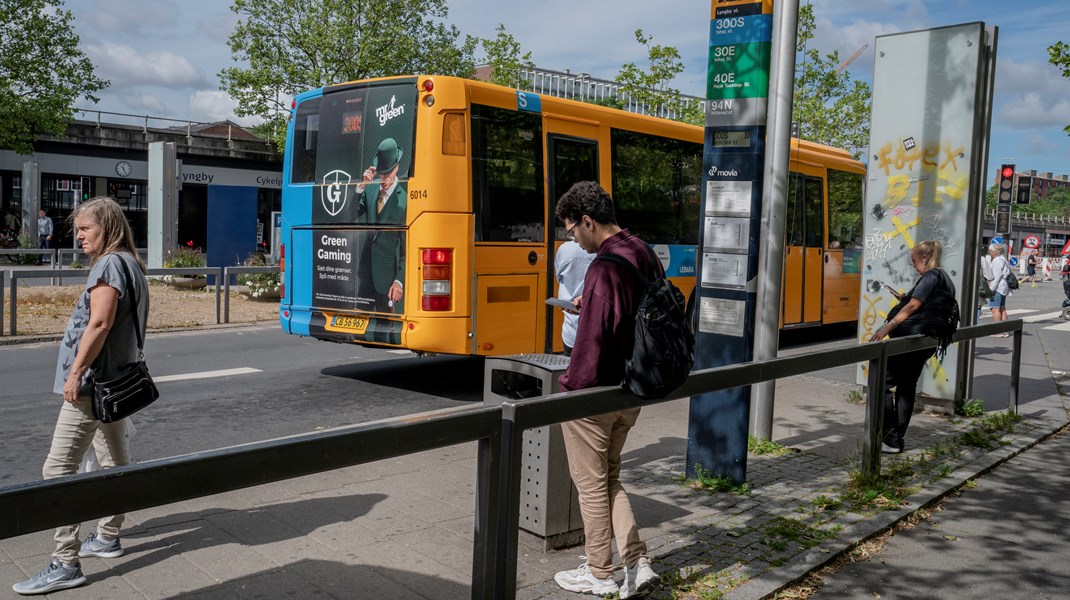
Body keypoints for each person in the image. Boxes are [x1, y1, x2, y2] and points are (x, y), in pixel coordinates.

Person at [13, 197, 148, 596]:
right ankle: (108, 535)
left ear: (106, 227)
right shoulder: (132, 265)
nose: (79, 235)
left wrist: (75, 373)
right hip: (116, 382)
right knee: (114, 463)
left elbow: (101, 322)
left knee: (56, 471)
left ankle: (65, 562)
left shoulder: (109, 265)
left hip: (92, 387)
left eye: (86, 228)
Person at [551, 181, 659, 598]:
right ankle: (637, 562)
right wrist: (590, 301)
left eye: (572, 230)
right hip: (635, 386)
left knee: (591, 484)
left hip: (598, 393)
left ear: (587, 221)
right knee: (611, 476)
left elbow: (593, 344)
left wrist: (569, 389)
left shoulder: (604, 266)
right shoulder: (642, 252)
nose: (572, 239)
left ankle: (599, 573)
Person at [868, 240, 957, 454]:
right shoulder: (946, 278)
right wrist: (905, 297)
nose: (914, 265)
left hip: (912, 339)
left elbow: (914, 305)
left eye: (914, 261)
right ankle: (896, 440)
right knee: (906, 387)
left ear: (925, 258)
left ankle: (889, 438)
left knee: (880, 383)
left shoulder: (932, 275)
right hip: (928, 341)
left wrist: (886, 327)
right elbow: (924, 302)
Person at [355, 138, 406, 315]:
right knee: (361, 331)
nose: (384, 178)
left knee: (387, 332)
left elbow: (406, 251)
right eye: (382, 173)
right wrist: (362, 185)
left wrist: (399, 281)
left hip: (388, 281)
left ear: (397, 167)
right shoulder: (369, 189)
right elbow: (351, 213)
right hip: (365, 275)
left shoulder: (404, 202)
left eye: (388, 173)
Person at [554, 239, 594, 356]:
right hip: (598, 336)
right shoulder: (606, 250)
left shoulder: (565, 249)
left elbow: (559, 277)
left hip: (571, 332)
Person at [984, 243, 1011, 337]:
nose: (989, 253)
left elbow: (996, 277)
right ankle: (1005, 331)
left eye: (990, 251)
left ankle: (998, 331)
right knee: (1002, 308)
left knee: (995, 309)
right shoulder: (1003, 259)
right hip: (1003, 287)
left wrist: (991, 289)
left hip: (998, 288)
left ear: (995, 252)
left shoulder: (997, 261)